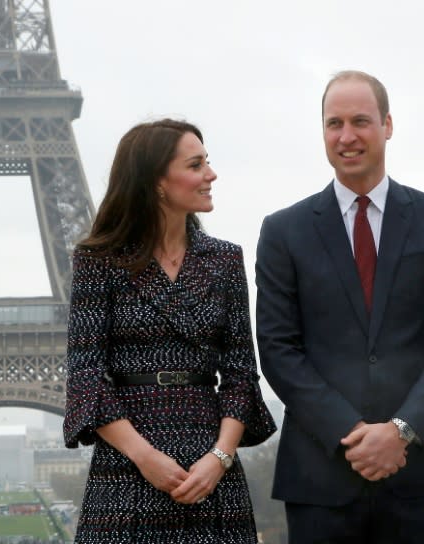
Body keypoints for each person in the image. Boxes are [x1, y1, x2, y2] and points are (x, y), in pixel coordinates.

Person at [255, 70, 424, 543]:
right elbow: (278, 348)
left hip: (418, 467)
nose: (347, 135)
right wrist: (352, 432)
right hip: (321, 472)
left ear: (388, 125)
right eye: (334, 123)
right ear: (322, 132)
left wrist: (401, 430)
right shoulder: (282, 232)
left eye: (361, 120)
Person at [64, 118, 276, 543]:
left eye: (207, 163)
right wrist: (145, 457)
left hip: (209, 460)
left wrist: (219, 458)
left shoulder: (224, 260)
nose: (210, 175)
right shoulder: (98, 261)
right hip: (128, 459)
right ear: (157, 181)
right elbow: (86, 374)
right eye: (196, 165)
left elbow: (240, 372)